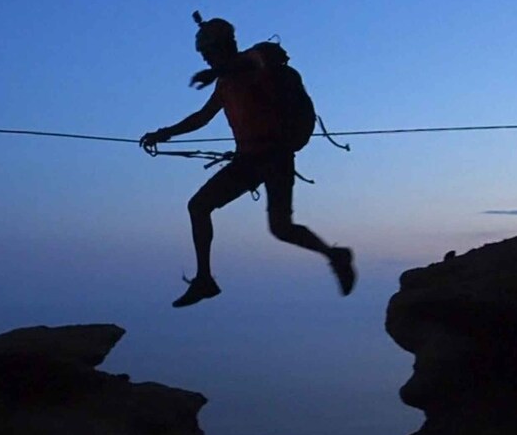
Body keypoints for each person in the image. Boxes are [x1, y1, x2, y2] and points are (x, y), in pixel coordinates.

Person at [140, 16, 356, 308]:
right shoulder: (226, 82)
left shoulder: (257, 61)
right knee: (204, 207)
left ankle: (335, 256)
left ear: (223, 46)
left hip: (274, 157)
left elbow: (252, 63)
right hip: (250, 160)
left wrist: (211, 73)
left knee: (279, 227)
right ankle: (205, 279)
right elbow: (202, 117)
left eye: (207, 51)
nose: (205, 57)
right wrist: (164, 133)